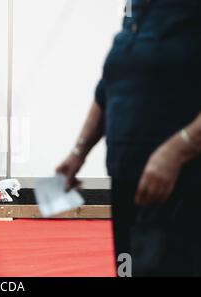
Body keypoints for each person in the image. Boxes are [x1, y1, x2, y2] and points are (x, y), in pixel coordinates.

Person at [56, 0, 201, 276]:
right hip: (128, 183)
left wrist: (177, 150)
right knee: (127, 270)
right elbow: (109, 85)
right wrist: (79, 152)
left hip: (182, 187)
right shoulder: (135, 10)